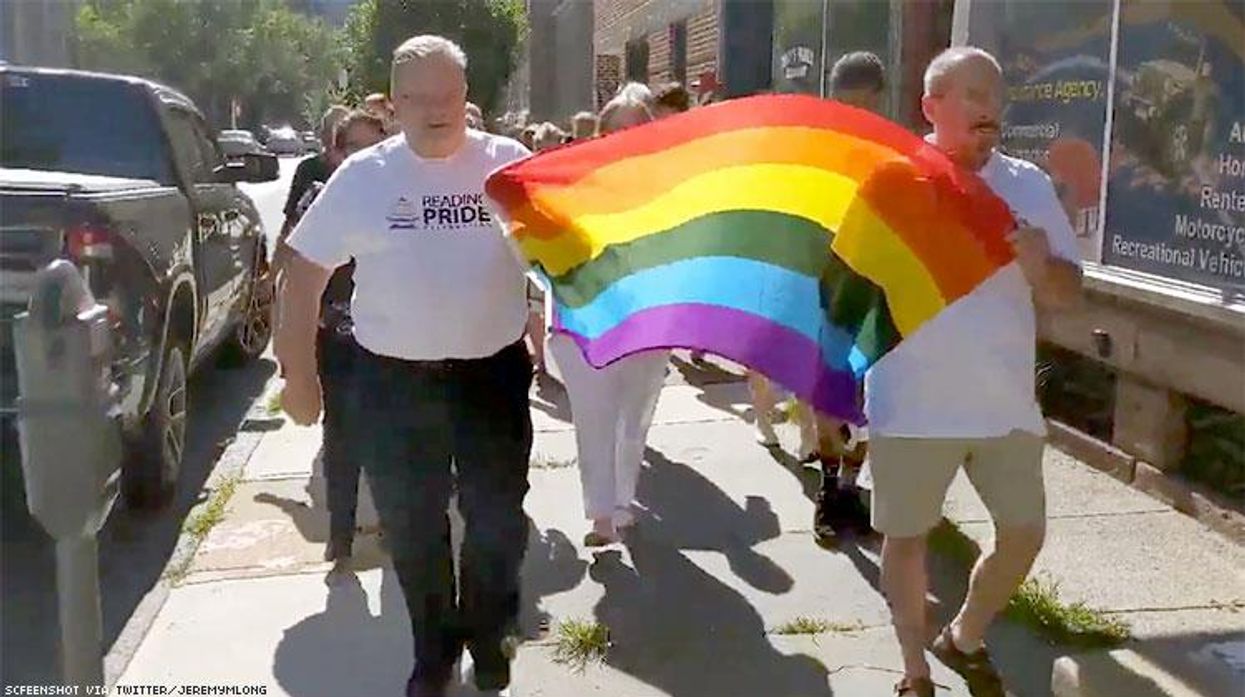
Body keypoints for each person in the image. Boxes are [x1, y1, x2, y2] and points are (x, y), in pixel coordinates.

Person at [276, 35, 534, 697]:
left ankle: (488, 628)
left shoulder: (509, 166)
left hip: (491, 376)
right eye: (416, 97)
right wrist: (298, 376)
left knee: (498, 520)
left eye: (446, 94)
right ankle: (434, 651)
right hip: (392, 382)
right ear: (393, 106)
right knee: (413, 528)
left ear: (465, 97)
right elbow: (303, 275)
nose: (433, 109)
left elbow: (571, 251)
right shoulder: (365, 176)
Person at [869, 47, 1082, 697]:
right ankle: (913, 670)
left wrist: (1039, 261)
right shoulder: (892, 180)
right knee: (905, 538)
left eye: (994, 94)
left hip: (1002, 401)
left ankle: (962, 635)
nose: (988, 107)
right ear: (930, 107)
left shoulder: (1026, 183)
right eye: (971, 95)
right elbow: (848, 281)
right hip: (912, 400)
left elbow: (1065, 294)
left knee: (1023, 532)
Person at [546, 83, 670, 547]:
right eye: (616, 128)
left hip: (647, 323)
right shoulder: (576, 182)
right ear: (601, 133)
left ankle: (623, 502)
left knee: (633, 419)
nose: (626, 135)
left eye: (637, 127)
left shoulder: (672, 187)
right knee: (593, 419)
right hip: (588, 323)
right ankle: (600, 515)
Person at [287, 110, 389, 579]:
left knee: (394, 436)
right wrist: (295, 365)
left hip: (394, 338)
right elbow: (297, 277)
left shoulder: (400, 195)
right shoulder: (320, 199)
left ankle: (393, 523)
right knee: (344, 439)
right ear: (334, 153)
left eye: (375, 145)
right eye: (353, 148)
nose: (364, 156)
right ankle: (341, 534)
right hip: (341, 339)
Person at [805, 50, 891, 549]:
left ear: (879, 100)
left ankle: (851, 488)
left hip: (878, 290)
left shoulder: (890, 152)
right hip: (829, 289)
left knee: (874, 399)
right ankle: (829, 489)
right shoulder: (819, 153)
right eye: (847, 104)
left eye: (865, 104)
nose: (856, 113)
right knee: (829, 394)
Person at [275, 105, 350, 271]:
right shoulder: (308, 170)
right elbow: (291, 224)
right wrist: (273, 275)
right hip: (312, 271)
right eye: (329, 131)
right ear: (322, 136)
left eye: (341, 133)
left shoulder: (362, 172)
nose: (333, 139)